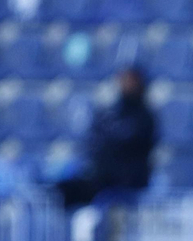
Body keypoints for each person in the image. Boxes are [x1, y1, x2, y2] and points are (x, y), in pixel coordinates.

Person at [53, 68, 158, 212]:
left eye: (131, 81)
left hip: (126, 179)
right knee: (64, 189)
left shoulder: (144, 116)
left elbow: (125, 142)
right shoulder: (113, 112)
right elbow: (96, 138)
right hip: (102, 176)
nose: (126, 85)